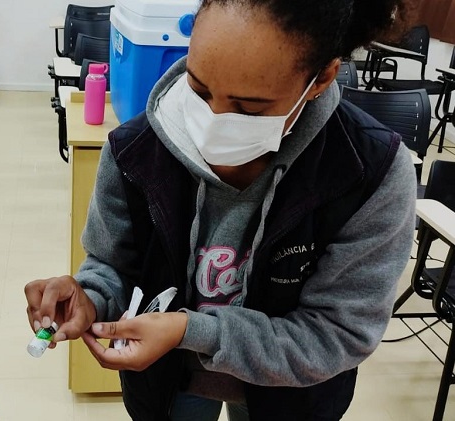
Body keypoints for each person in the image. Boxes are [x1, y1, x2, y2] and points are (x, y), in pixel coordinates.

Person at [25, 0, 416, 420]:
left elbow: (336, 333)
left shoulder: (366, 171)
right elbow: (114, 264)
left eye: (249, 108)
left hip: (289, 395)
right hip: (170, 384)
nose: (212, 120)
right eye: (198, 89)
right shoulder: (135, 151)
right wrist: (92, 296)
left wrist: (194, 330)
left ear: (321, 78)